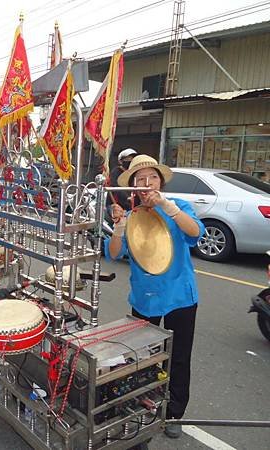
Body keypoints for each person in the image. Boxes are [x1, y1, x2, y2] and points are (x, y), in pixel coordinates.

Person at [106, 155, 204, 440]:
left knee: (179, 358)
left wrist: (167, 206)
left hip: (180, 297)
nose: (146, 184)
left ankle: (174, 412)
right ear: (133, 188)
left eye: (152, 178)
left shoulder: (178, 208)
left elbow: (197, 232)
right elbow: (113, 253)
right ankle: (143, 406)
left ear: (160, 182)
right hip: (144, 297)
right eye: (140, 180)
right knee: (143, 358)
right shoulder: (132, 216)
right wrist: (120, 226)